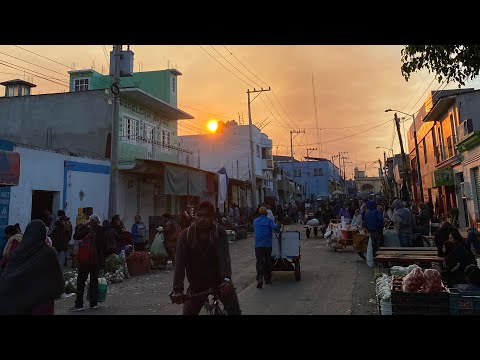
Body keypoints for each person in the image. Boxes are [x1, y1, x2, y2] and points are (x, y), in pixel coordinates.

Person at [171, 200, 242, 315]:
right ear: (195, 216)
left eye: (207, 216)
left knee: (235, 311)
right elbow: (179, 264)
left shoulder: (220, 233)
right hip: (197, 285)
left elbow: (224, 257)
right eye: (200, 215)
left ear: (213, 217)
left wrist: (226, 279)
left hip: (219, 282)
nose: (203, 219)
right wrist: (178, 290)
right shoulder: (185, 236)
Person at [0, 219, 64, 315]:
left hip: (19, 304)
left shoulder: (17, 252)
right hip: (42, 305)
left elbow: (8, 277)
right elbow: (58, 280)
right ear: (43, 234)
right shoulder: (49, 253)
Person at [70, 214, 107, 311]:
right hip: (96, 260)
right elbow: (104, 246)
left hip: (86, 260)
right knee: (94, 281)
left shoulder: (87, 229)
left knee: (81, 281)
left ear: (90, 221)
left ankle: (79, 304)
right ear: (98, 221)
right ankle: (93, 303)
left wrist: (84, 225)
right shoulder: (102, 230)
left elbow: (75, 236)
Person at [253, 207, 281, 288]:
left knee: (259, 262)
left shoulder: (255, 221)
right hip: (267, 245)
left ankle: (260, 278)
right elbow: (275, 229)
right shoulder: (269, 221)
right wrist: (278, 228)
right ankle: (267, 279)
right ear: (266, 213)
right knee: (267, 261)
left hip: (258, 245)